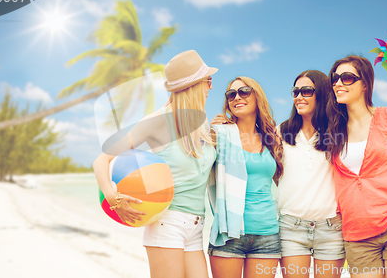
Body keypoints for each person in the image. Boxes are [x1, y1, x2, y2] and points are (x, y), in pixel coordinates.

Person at [93, 50, 217, 278]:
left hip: (197, 225)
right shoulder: (156, 122)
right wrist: (113, 198)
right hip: (167, 223)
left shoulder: (201, 122)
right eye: (208, 81)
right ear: (194, 85)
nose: (211, 87)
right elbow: (102, 160)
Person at [276, 70, 387, 278]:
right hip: (290, 227)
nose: (299, 96)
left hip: (332, 227)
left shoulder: (338, 132)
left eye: (306, 91)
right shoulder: (279, 133)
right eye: (295, 91)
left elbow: (369, 136)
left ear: (321, 93)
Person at [326, 55, 387, 278]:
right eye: (335, 78)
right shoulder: (333, 130)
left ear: (365, 84)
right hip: (356, 233)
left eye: (347, 77)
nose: (339, 83)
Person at [207, 76, 284, 278]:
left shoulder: (272, 139)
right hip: (228, 234)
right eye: (231, 94)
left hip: (268, 234)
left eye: (244, 91)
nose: (237, 97)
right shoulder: (220, 134)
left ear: (257, 96)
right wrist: (210, 136)